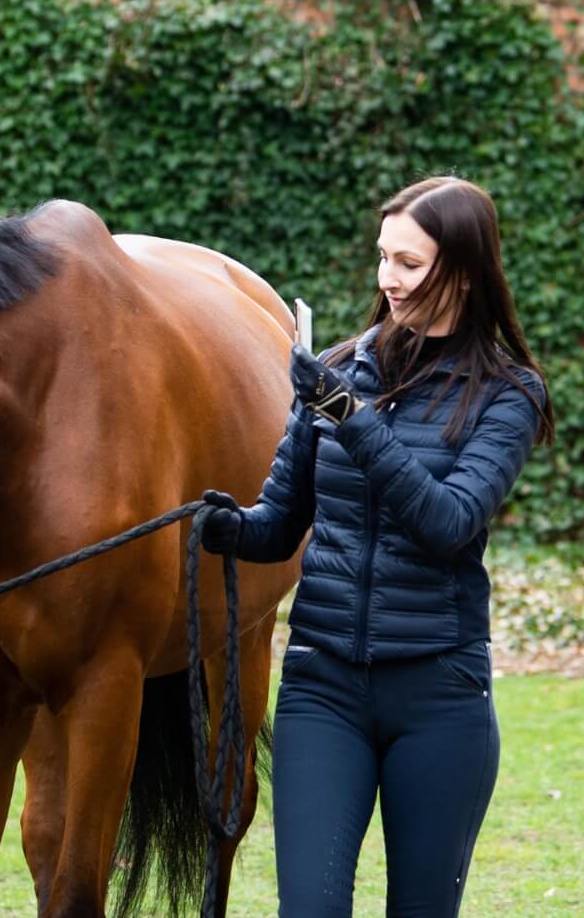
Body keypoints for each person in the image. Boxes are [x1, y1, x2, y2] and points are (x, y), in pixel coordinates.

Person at [202, 176, 554, 916]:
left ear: (462, 268)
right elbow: (277, 526)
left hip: (439, 696)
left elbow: (448, 524)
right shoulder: (341, 368)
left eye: (409, 263)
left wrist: (347, 414)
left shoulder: (507, 394)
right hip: (322, 688)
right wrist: (224, 526)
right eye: (383, 257)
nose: (387, 279)